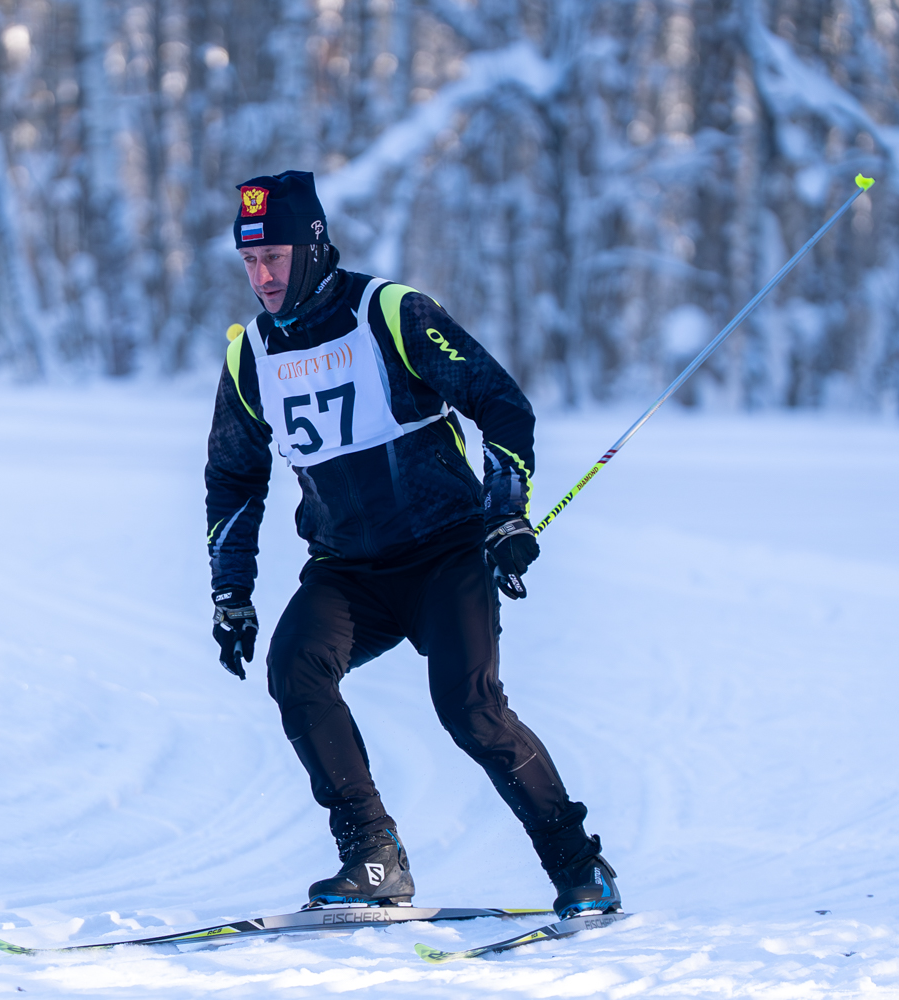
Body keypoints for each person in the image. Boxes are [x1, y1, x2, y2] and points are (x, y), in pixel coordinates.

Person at [203, 170, 619, 918]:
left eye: (274, 258)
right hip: (347, 571)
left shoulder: (389, 312)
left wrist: (506, 513)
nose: (261, 277)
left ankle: (580, 867)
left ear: (312, 248)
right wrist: (231, 592)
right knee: (295, 666)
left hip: (444, 554)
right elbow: (234, 478)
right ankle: (374, 854)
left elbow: (500, 403)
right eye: (250, 261)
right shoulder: (252, 356)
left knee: (470, 708)